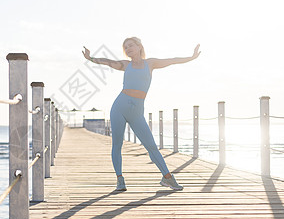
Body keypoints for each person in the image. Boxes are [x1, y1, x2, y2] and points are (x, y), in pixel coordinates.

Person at [82, 37, 201, 191]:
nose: (128, 48)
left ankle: (168, 178)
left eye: (131, 45)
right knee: (117, 144)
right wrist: (90, 58)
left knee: (151, 145)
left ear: (139, 47)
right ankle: (120, 180)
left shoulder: (150, 64)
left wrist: (191, 57)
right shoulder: (126, 65)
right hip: (119, 107)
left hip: (137, 112)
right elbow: (107, 61)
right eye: (126, 47)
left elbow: (172, 60)